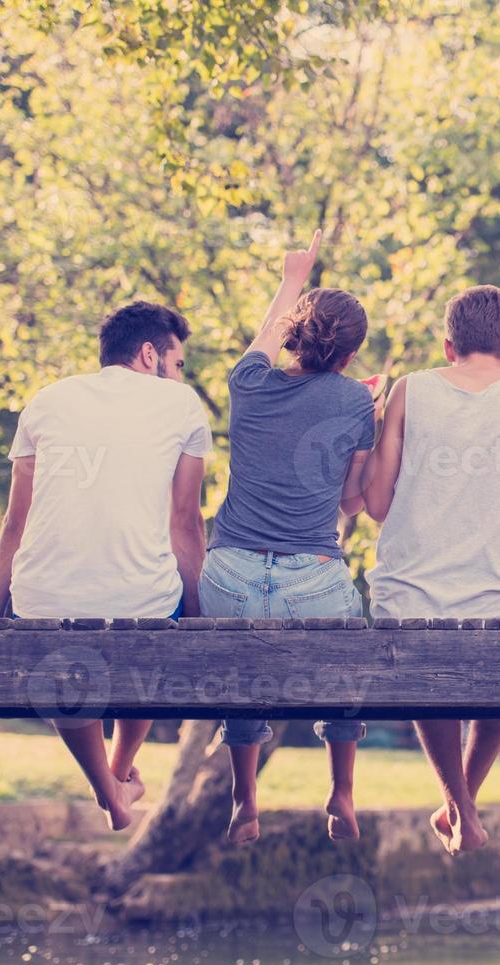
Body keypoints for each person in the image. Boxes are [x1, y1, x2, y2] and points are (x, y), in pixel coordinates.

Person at [0, 301, 211, 832]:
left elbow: (15, 525)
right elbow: (185, 525)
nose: (178, 377)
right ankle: (118, 775)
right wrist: (195, 616)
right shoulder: (182, 406)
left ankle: (109, 783)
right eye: (177, 365)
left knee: (65, 642)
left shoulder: (46, 401)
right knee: (153, 610)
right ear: (149, 354)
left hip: (40, 604)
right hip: (143, 606)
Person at [364, 284, 500, 855]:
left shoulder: (410, 390)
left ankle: (460, 806)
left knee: (427, 657)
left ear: (448, 346)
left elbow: (377, 505)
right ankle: (461, 803)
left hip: (407, 604)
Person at [201, 230, 384, 847]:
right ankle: (341, 790)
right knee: (347, 663)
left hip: (228, 577)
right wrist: (364, 414)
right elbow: (351, 501)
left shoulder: (247, 383)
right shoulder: (355, 403)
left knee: (241, 667)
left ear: (294, 332)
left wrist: (293, 278)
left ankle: (244, 797)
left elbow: (265, 340)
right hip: (314, 583)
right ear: (352, 356)